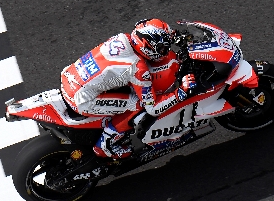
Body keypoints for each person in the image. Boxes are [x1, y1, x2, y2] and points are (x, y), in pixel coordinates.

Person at [60, 18, 197, 159]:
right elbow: (153, 108)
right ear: (146, 46)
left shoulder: (123, 38)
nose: (165, 52)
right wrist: (180, 92)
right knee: (137, 104)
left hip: (70, 77)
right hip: (81, 99)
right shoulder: (138, 69)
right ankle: (106, 145)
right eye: (162, 49)